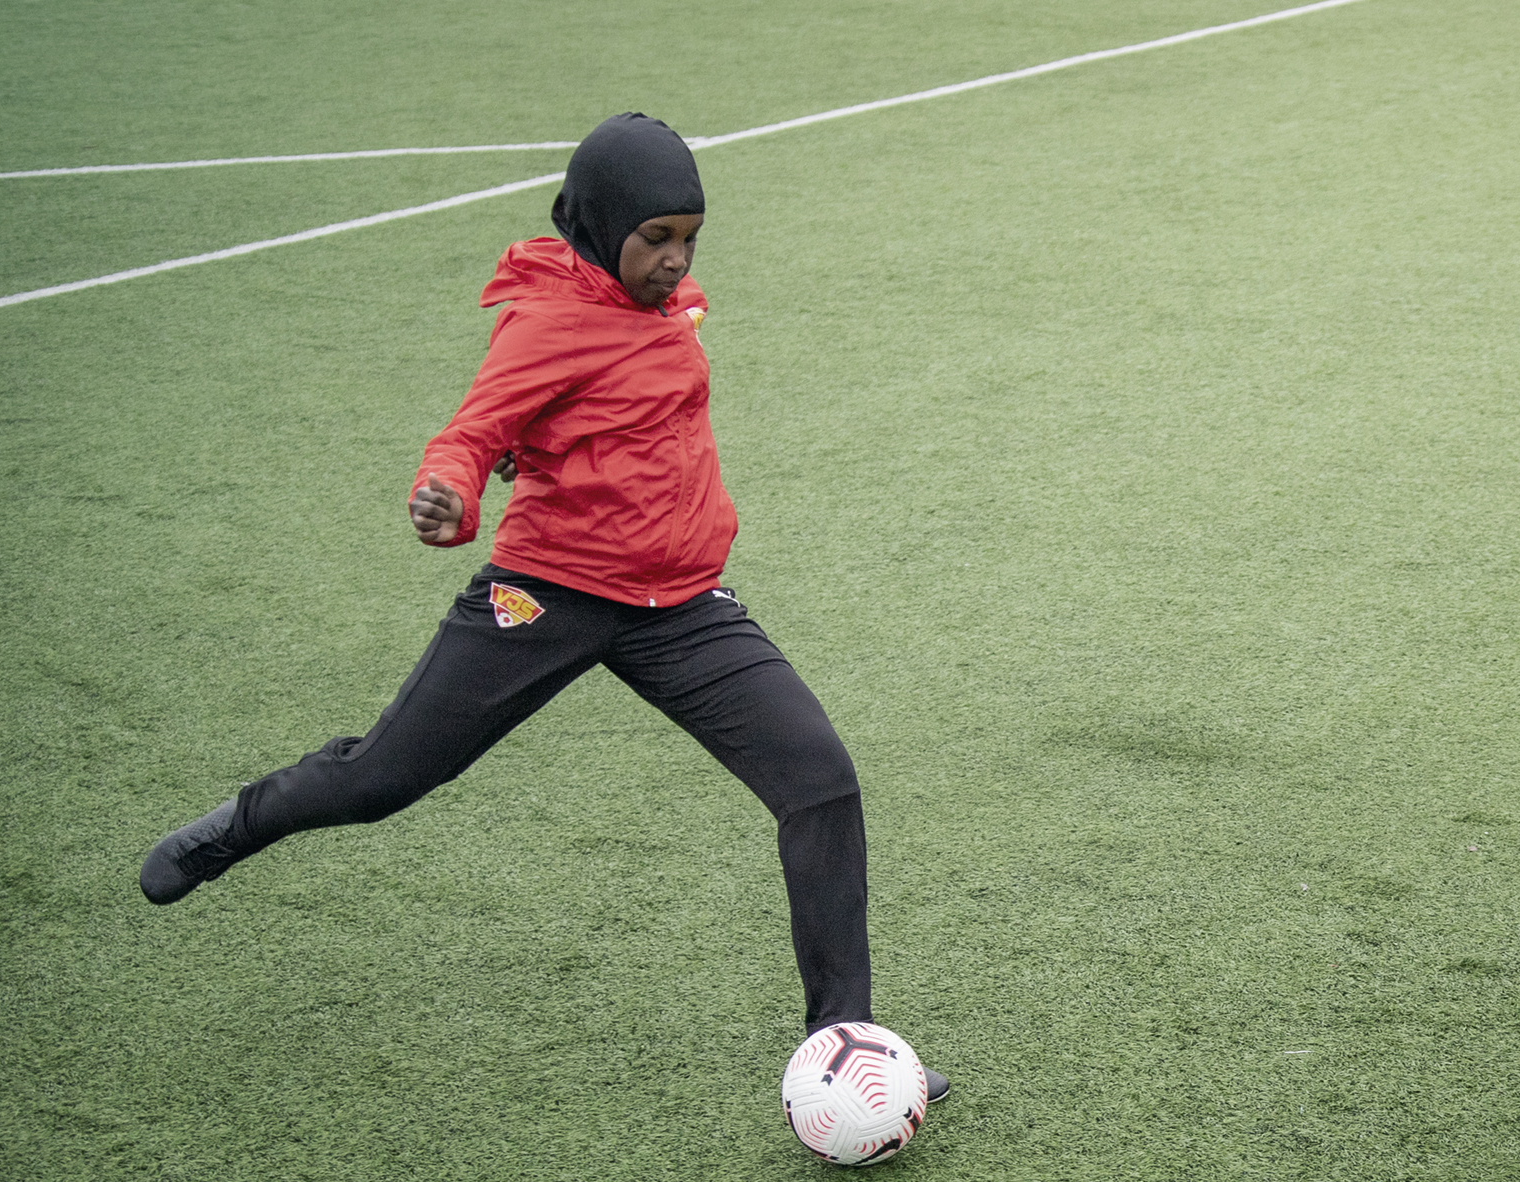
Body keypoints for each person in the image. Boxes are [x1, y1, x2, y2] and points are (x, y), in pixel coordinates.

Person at [139, 113, 945, 1101]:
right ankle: (234, 827)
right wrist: (449, 497)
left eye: (689, 236)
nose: (675, 258)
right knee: (385, 777)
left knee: (819, 784)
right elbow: (474, 433)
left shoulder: (663, 305)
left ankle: (843, 1044)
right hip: (549, 591)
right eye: (655, 238)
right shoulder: (549, 318)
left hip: (680, 606)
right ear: (603, 224)